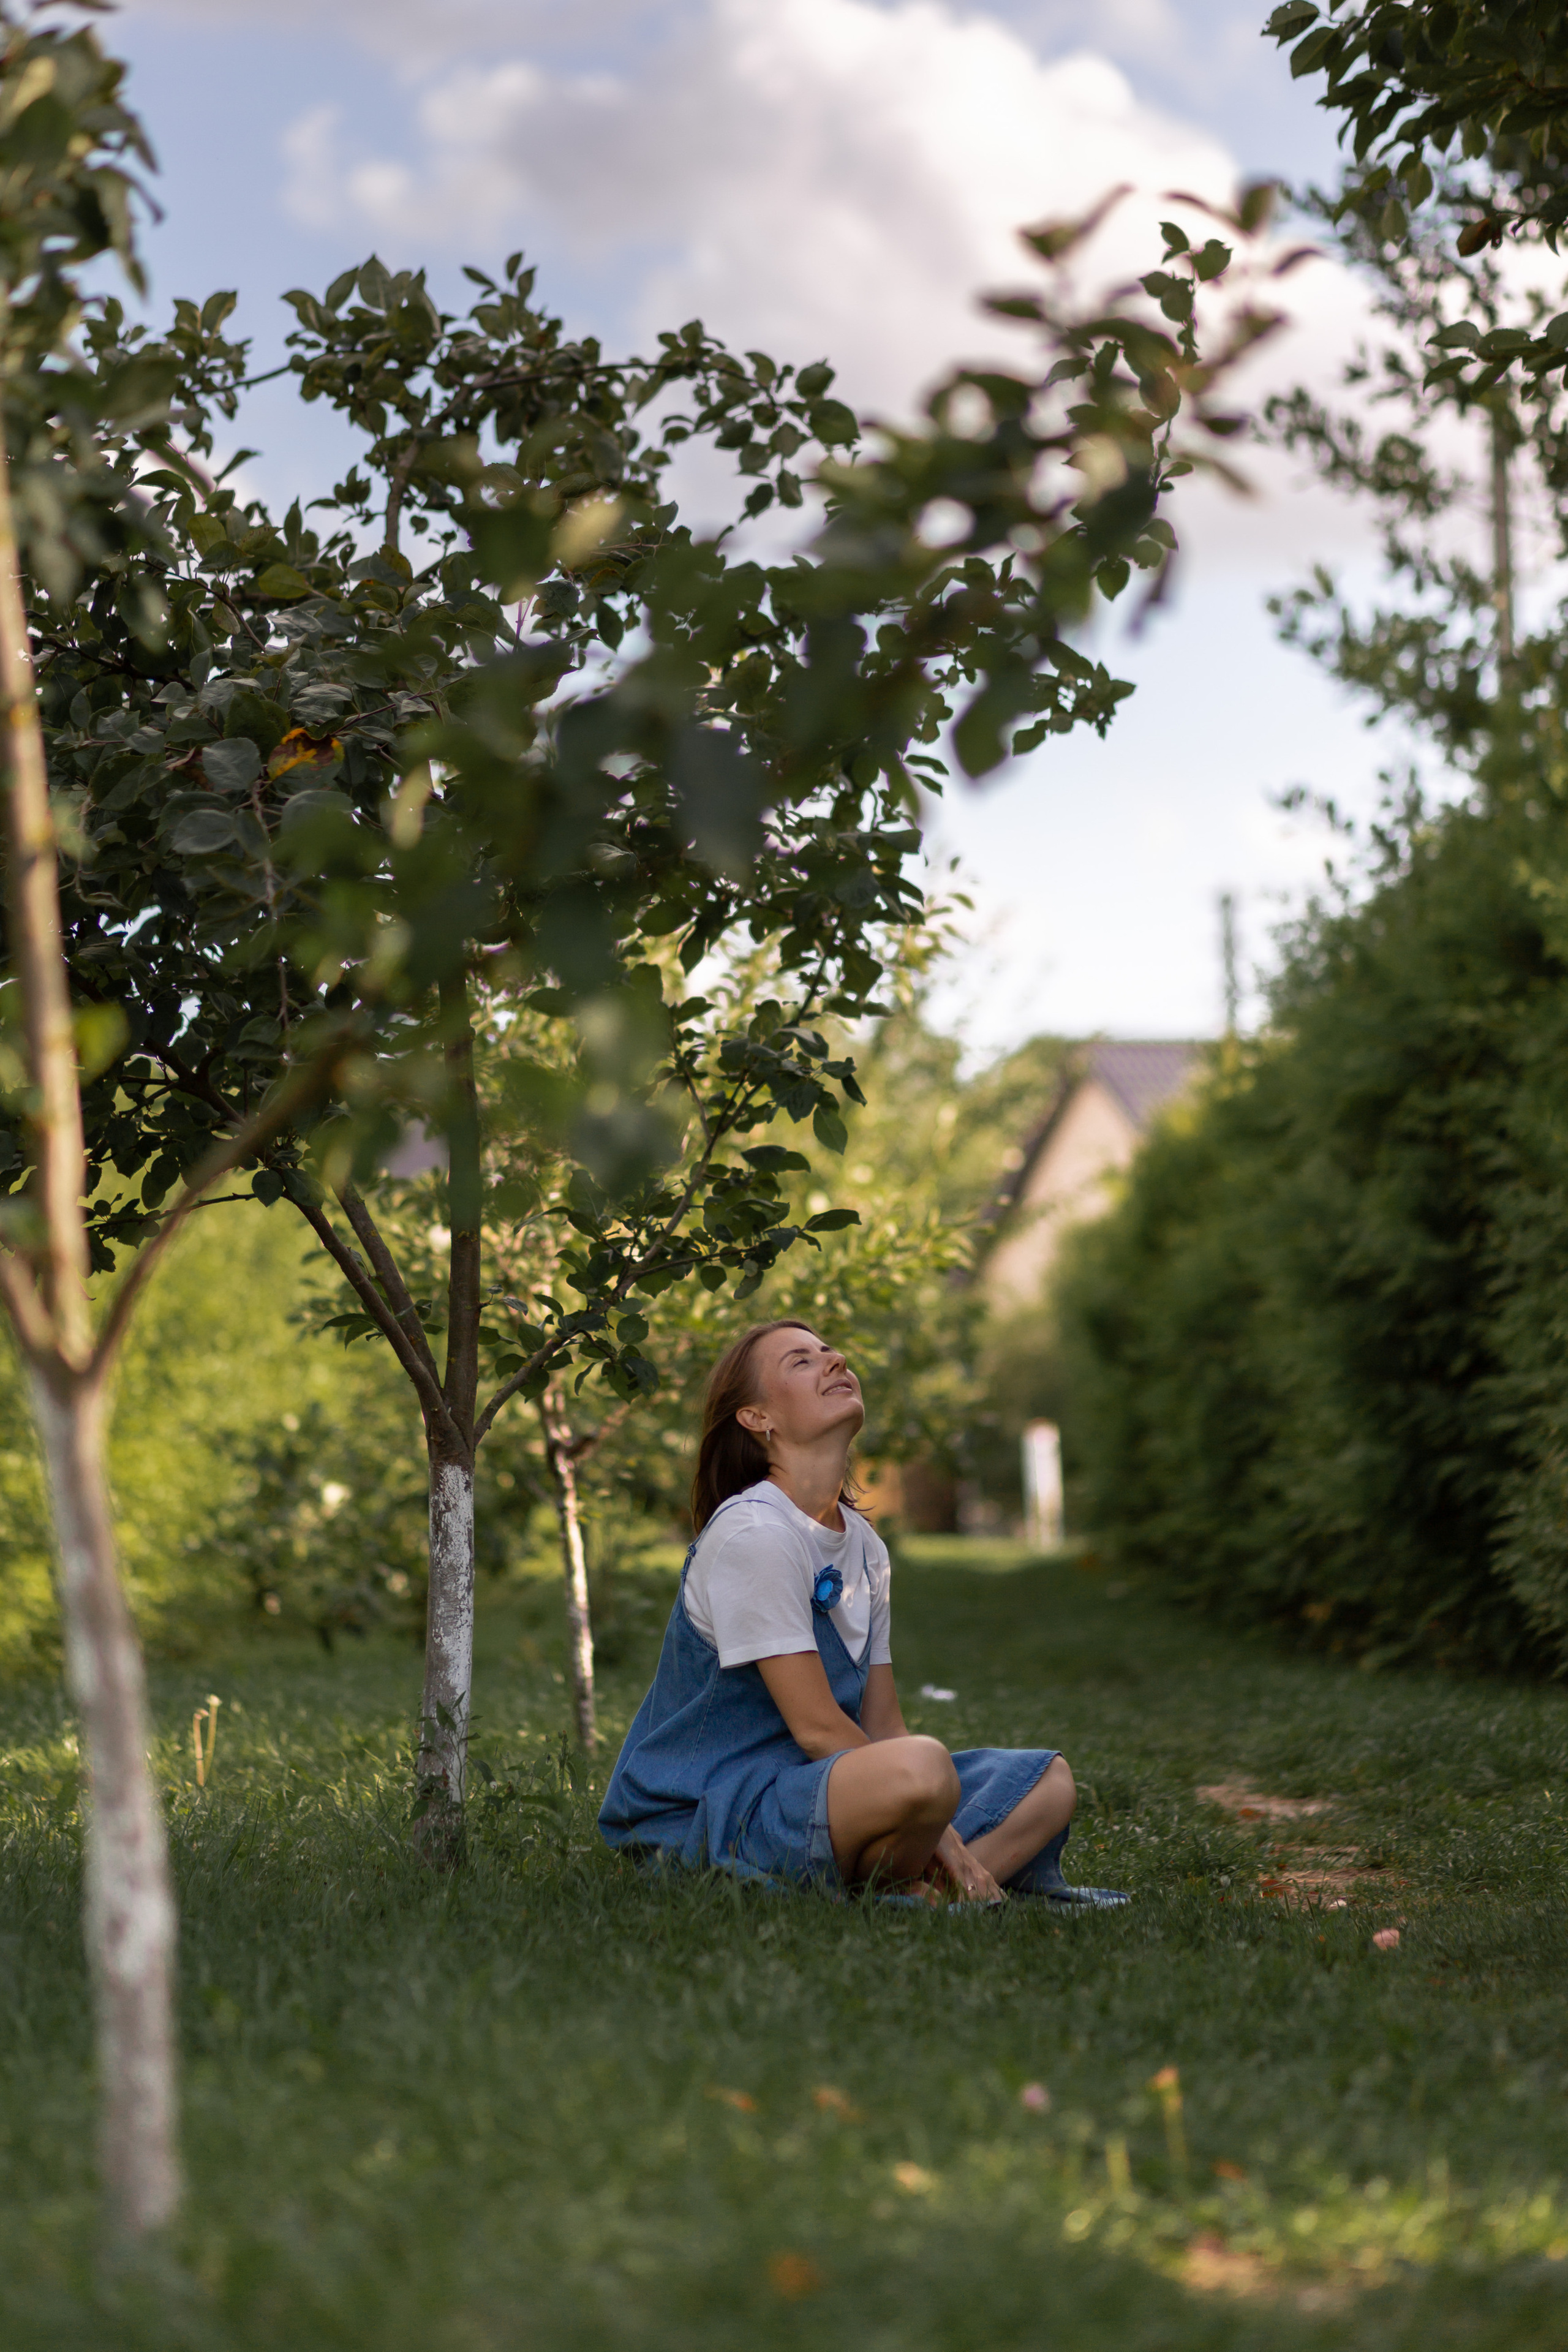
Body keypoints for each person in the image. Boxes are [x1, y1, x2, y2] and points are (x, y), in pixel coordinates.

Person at [598, 1318, 1128, 1907]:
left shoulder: (865, 1547)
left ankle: (910, 1888)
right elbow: (820, 1728)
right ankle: (933, 1880)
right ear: (757, 1418)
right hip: (711, 1812)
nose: (836, 1360)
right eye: (801, 1361)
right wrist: (947, 1837)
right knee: (923, 1771)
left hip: (819, 1791)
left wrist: (929, 1813)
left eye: (830, 1352)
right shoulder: (756, 1534)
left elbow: (884, 1726)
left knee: (1048, 1782)